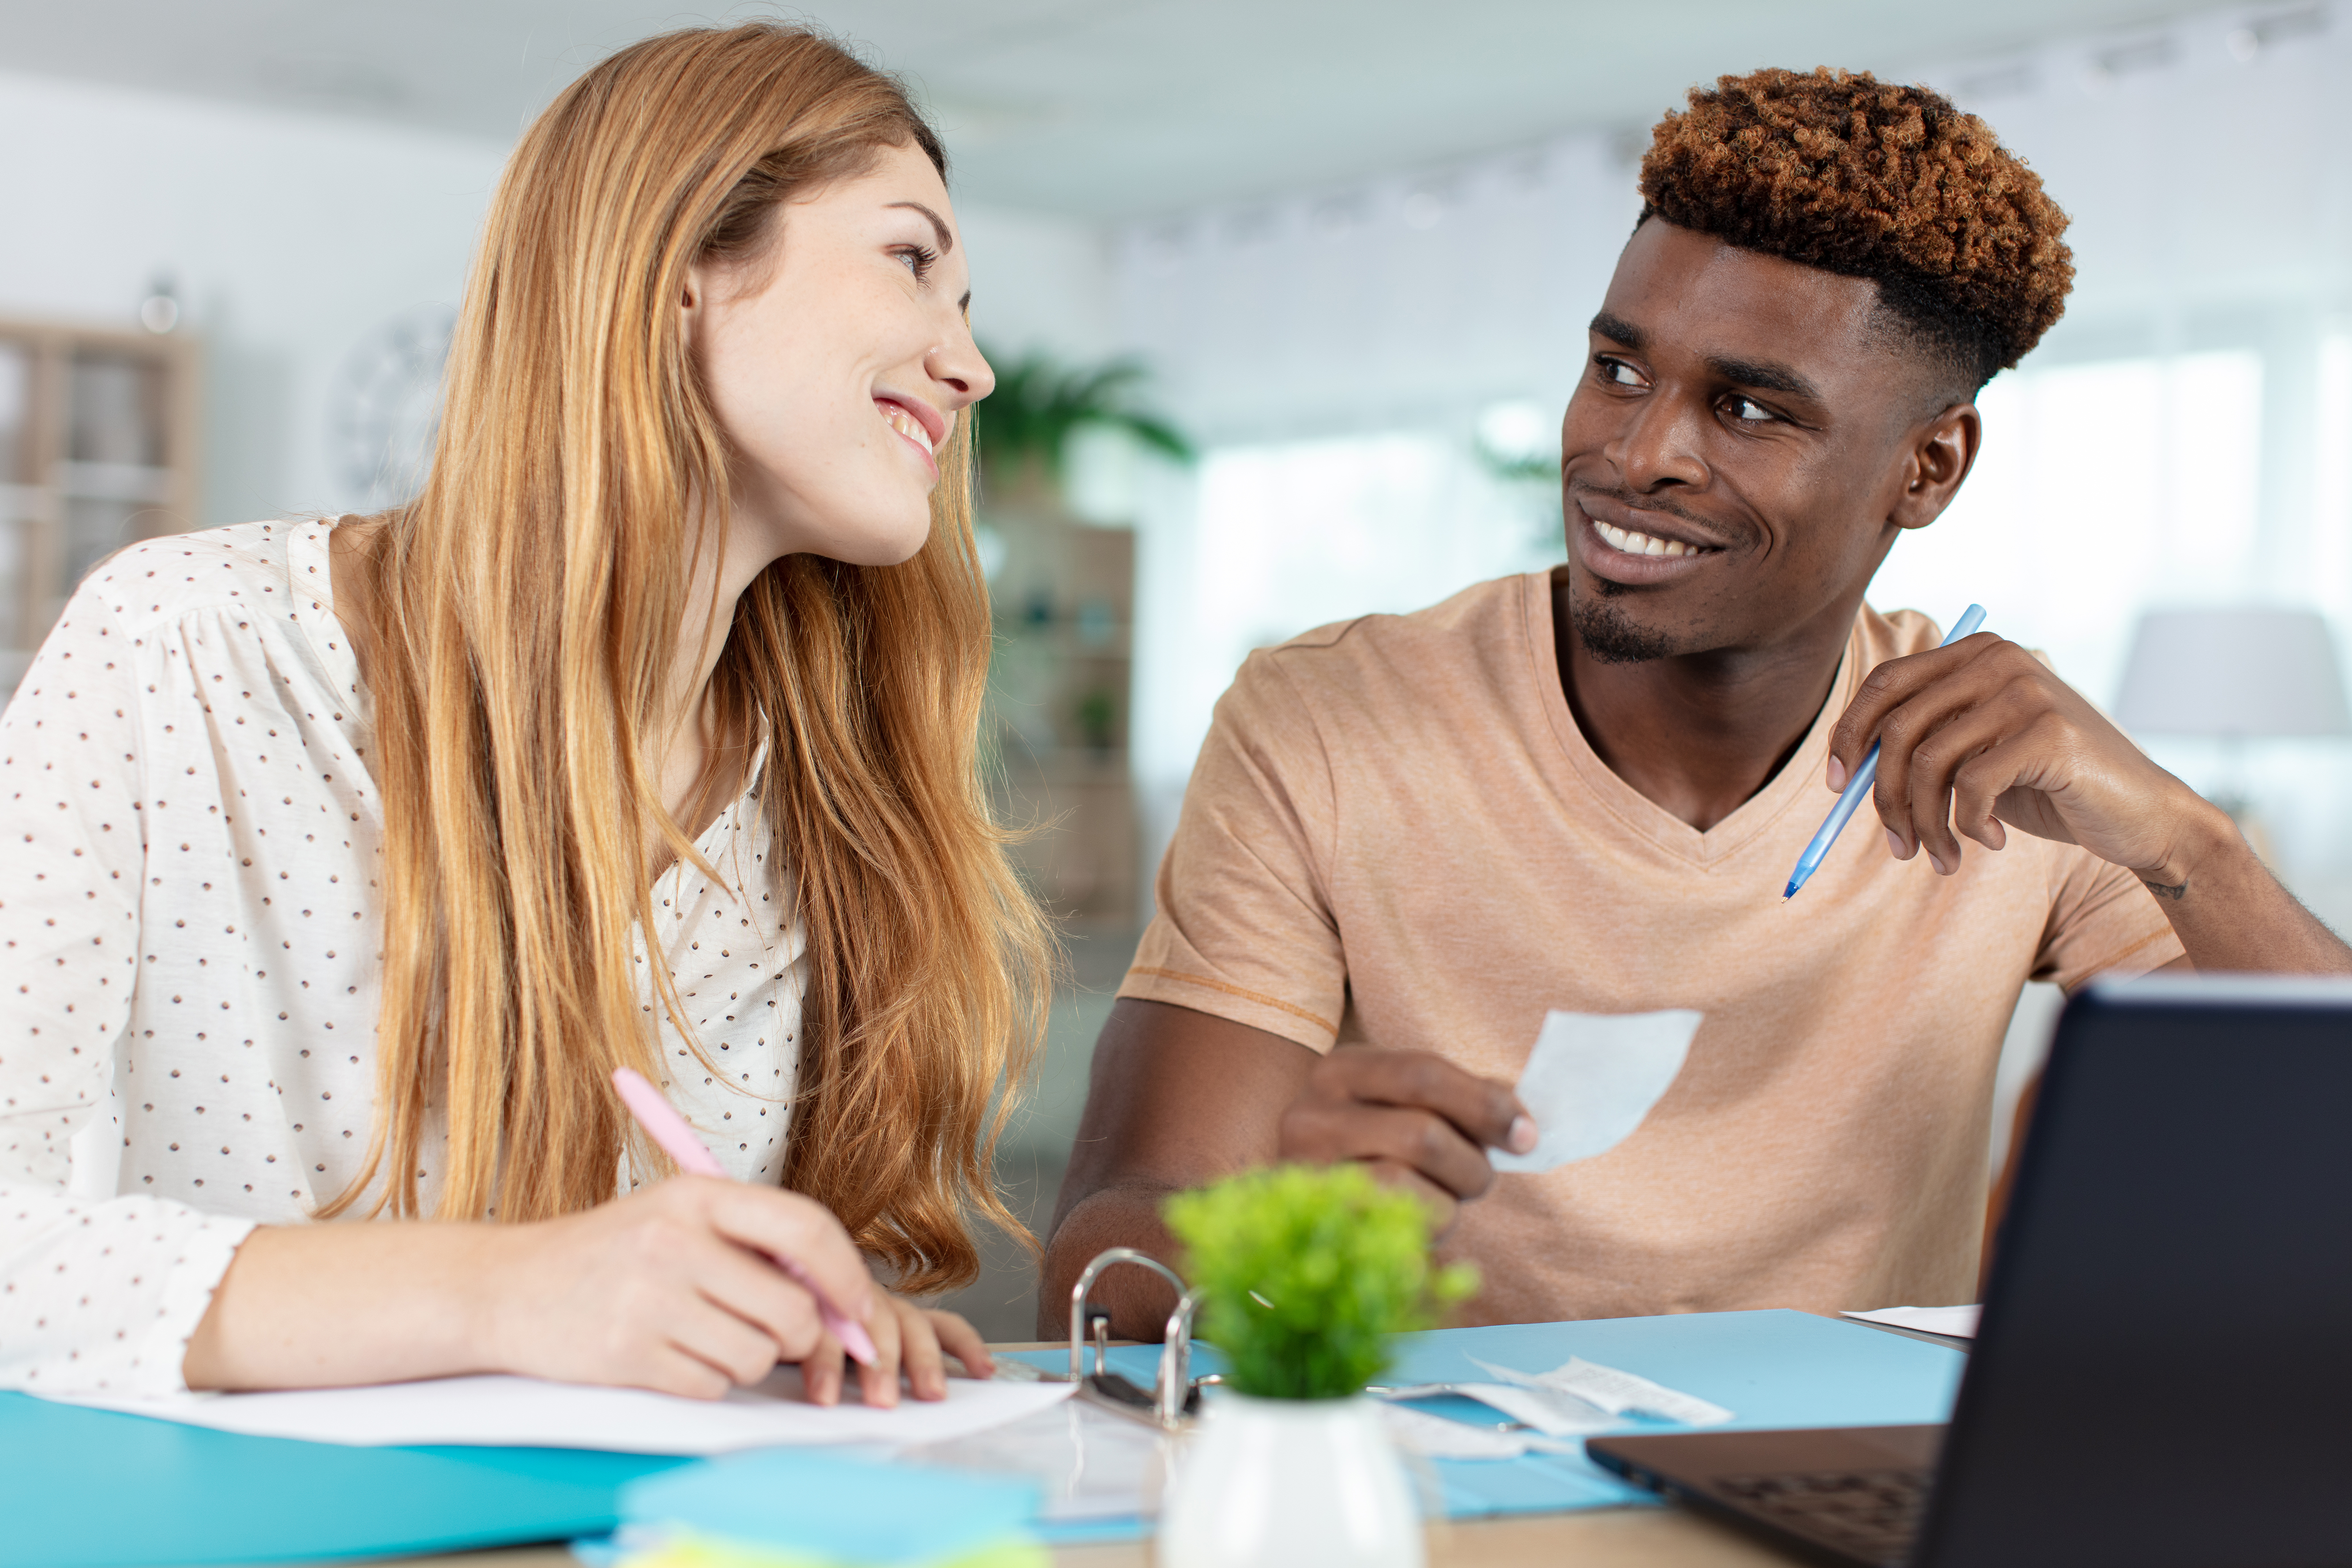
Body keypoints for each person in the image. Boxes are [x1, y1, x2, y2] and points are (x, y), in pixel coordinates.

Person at [1044, 68, 2352, 1339]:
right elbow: (1099, 1270)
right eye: (1619, 370)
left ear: (1929, 465)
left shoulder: (2006, 774)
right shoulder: (1328, 718)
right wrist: (1275, 1239)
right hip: (1441, 1492)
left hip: (1839, 1498)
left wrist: (2193, 845)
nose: (1637, 454)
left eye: (1744, 408)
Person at [0, 23, 1052, 1405]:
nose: (969, 368)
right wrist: (512, 1292)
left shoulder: (817, 806)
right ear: (679, 266)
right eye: (915, 262)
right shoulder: (189, 646)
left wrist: (786, 1316)